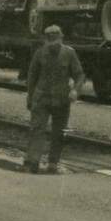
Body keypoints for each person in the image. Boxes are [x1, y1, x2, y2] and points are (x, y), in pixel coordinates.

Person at [24, 24, 85, 174]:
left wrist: (76, 91)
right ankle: (33, 161)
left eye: (56, 42)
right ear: (46, 41)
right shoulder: (39, 53)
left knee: (59, 132)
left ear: (61, 39)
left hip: (62, 99)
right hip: (41, 98)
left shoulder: (69, 54)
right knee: (37, 128)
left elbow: (80, 75)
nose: (53, 46)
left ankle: (53, 162)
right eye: (50, 42)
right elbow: (32, 77)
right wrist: (30, 97)